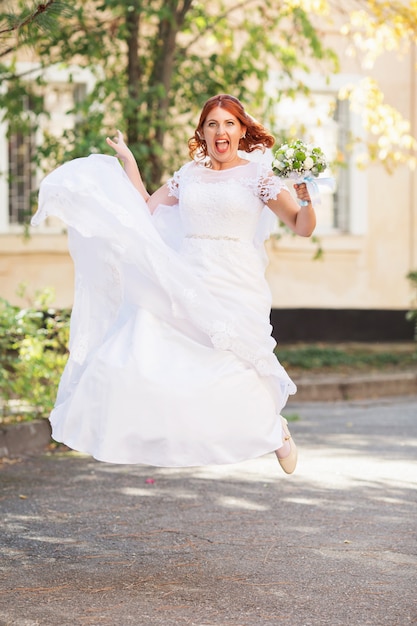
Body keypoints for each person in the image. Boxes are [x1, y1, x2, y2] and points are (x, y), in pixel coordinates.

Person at [32, 93, 316, 473]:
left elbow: (302, 227)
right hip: (189, 276)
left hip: (237, 281)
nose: (221, 131)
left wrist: (303, 193)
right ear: (202, 131)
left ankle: (273, 428)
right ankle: (165, 435)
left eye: (229, 124)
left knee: (236, 366)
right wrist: (129, 162)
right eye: (212, 124)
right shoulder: (189, 174)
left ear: (242, 130)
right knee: (146, 348)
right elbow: (146, 208)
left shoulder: (259, 177)